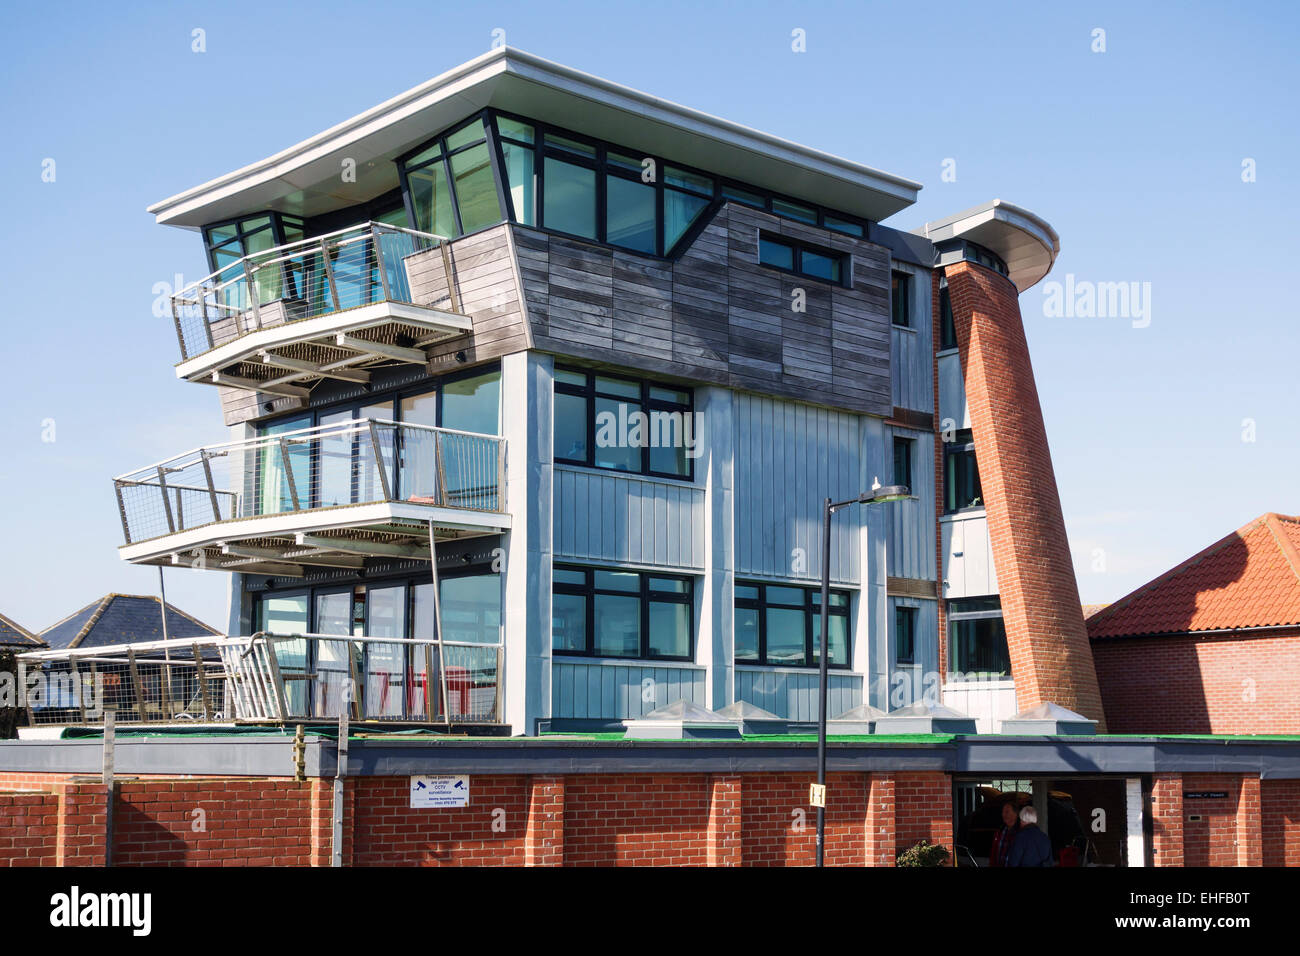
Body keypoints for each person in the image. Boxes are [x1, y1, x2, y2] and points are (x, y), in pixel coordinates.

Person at [988, 800, 1020, 867]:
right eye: (1003, 812)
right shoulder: (1000, 831)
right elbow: (994, 854)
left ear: (1015, 814)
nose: (1003, 814)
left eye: (1007, 812)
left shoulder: (1021, 833)